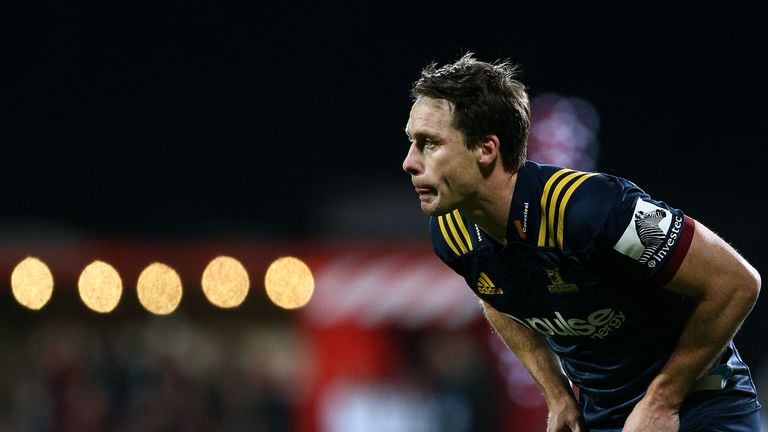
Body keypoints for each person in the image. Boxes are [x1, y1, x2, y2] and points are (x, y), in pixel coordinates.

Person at [402, 53, 761, 431]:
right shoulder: (453, 234)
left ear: (487, 149)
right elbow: (496, 295)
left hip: (698, 404)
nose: (409, 162)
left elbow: (736, 282)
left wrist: (662, 400)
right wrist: (556, 393)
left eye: (429, 143)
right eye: (412, 142)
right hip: (603, 414)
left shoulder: (593, 209)